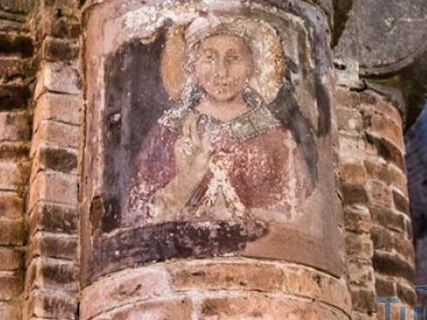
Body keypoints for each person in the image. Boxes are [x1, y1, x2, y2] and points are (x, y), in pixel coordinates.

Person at [125, 16, 312, 225]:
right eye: (209, 58)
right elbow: (137, 219)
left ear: (252, 65)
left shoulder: (276, 139)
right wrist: (187, 178)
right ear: (192, 65)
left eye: (234, 58)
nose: (221, 71)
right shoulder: (168, 132)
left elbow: (299, 216)